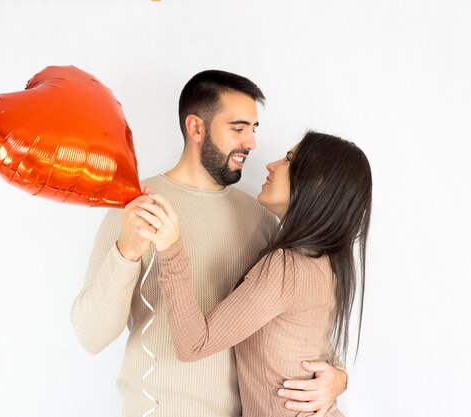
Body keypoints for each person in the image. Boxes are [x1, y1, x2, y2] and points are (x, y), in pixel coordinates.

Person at [70, 70, 348, 416]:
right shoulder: (138, 207)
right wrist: (125, 253)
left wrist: (337, 375)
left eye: (253, 129)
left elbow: (300, 313)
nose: (251, 142)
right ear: (196, 128)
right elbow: (91, 336)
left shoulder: (261, 218)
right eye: (238, 128)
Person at [136, 131, 372, 417]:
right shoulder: (327, 264)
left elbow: (194, 344)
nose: (271, 164)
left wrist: (170, 248)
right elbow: (308, 345)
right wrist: (340, 377)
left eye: (288, 159)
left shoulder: (289, 266)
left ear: (317, 182)